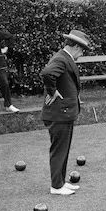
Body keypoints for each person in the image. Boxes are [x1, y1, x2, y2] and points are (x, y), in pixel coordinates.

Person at [40, 29, 91, 195]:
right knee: (59, 149)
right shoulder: (61, 58)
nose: (82, 53)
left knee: (63, 149)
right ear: (75, 46)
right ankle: (56, 186)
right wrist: (52, 91)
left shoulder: (64, 58)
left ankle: (60, 182)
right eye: (82, 49)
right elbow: (47, 73)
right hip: (58, 113)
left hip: (64, 112)